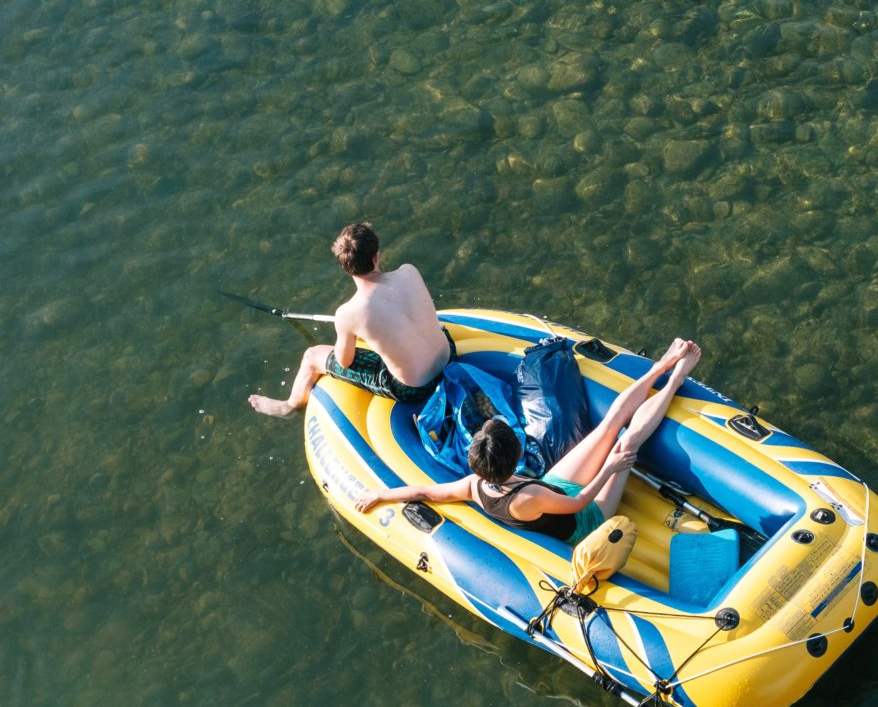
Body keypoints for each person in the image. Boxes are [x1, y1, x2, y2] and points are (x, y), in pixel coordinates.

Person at [355, 339, 702, 545]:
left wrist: (382, 494)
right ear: (516, 453)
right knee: (625, 444)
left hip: (555, 488)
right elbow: (581, 503)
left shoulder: (476, 484)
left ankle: (663, 364)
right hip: (586, 519)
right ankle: (675, 380)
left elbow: (429, 492)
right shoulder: (528, 495)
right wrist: (610, 467)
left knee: (608, 425)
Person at [248, 223, 452, 418]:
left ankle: (289, 406)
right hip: (449, 357)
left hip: (415, 389)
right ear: (376, 257)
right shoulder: (409, 271)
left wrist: (347, 331)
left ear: (345, 267)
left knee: (311, 356)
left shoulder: (348, 313)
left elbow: (344, 361)